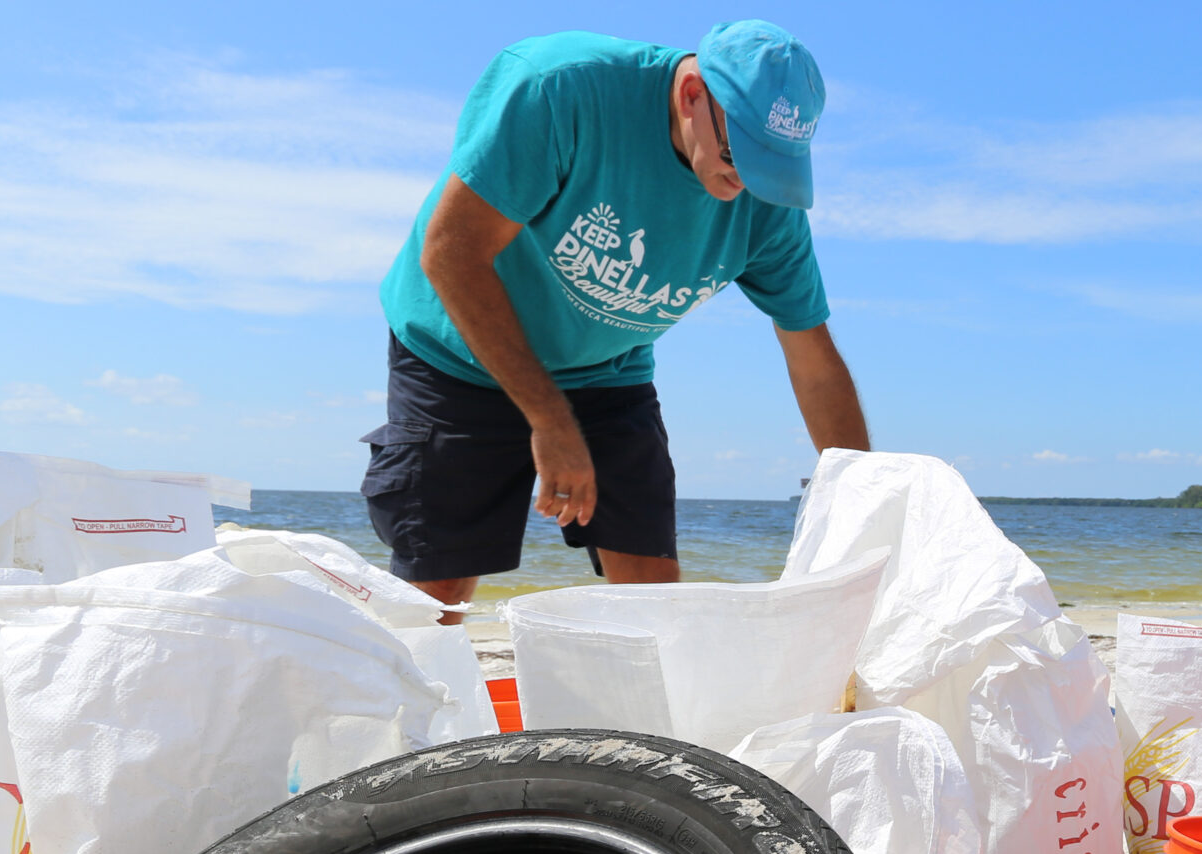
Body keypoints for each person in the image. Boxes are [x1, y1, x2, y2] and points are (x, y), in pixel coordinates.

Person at [363, 22, 868, 619]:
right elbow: (451, 252)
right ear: (691, 95)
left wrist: (868, 504)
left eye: (770, 164)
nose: (745, 183)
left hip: (607, 371)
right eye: (739, 154)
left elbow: (813, 361)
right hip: (457, 353)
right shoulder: (560, 89)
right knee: (438, 597)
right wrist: (549, 419)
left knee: (654, 595)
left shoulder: (765, 205)